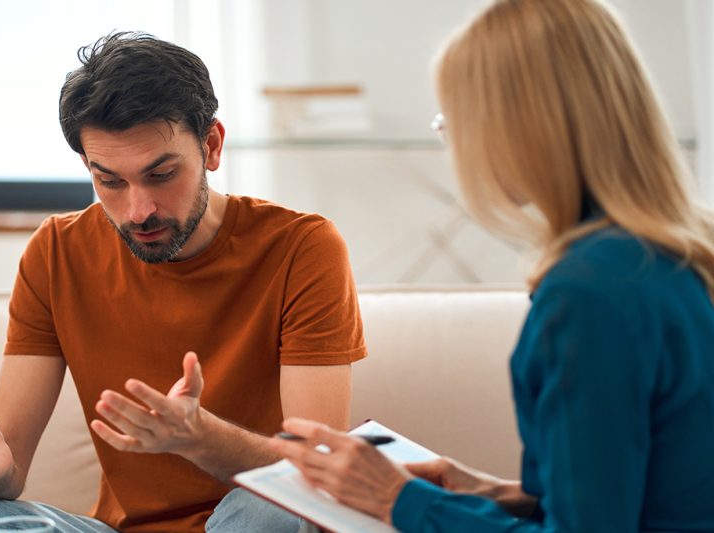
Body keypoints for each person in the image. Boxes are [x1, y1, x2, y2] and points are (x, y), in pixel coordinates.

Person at [270, 0, 714, 531]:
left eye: (452, 121)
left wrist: (398, 499)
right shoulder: (679, 252)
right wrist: (494, 492)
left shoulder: (589, 292)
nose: (454, 144)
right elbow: (644, 492)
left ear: (521, 127)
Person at [0, 32, 366, 532]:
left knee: (278, 508)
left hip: (249, 520)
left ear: (211, 146)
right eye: (110, 181)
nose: (139, 210)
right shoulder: (56, 252)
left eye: (161, 174)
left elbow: (319, 470)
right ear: (87, 166)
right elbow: (11, 470)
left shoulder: (302, 247)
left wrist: (199, 436)